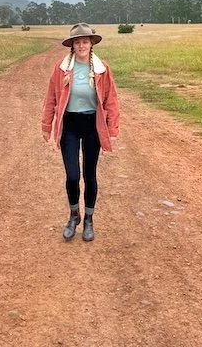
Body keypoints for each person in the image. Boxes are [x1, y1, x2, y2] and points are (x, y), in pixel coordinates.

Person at [42, 23, 120, 242]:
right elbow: (51, 97)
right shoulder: (61, 68)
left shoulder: (102, 69)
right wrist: (46, 125)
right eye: (77, 42)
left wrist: (112, 130)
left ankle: (89, 220)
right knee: (72, 175)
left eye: (85, 41)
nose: (82, 45)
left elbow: (111, 100)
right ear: (72, 45)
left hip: (93, 125)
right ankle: (74, 214)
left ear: (91, 44)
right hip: (70, 124)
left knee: (89, 174)